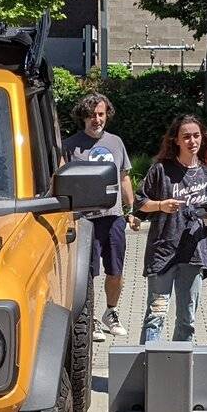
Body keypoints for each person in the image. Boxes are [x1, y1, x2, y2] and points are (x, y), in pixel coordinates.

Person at [133, 113, 207, 345]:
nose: (192, 141)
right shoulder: (160, 171)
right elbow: (140, 203)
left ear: (202, 139)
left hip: (193, 256)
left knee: (187, 319)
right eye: (186, 137)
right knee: (156, 315)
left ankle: (179, 374)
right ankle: (152, 373)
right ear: (176, 140)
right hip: (163, 253)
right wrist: (161, 205)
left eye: (196, 136)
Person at [61, 92, 135, 340]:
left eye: (101, 114)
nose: (97, 119)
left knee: (116, 270)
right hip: (84, 219)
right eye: (92, 115)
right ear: (84, 116)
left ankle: (110, 313)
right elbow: (60, 181)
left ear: (107, 115)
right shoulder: (70, 146)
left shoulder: (116, 142)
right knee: (88, 271)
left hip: (113, 216)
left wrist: (131, 209)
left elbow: (124, 176)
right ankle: (88, 316)